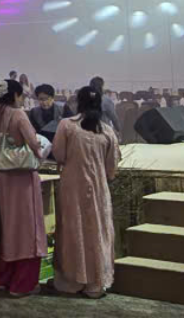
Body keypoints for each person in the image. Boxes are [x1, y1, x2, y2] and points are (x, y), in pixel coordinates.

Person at [53, 85, 120, 299]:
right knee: (97, 231)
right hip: (99, 189)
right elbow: (112, 168)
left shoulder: (66, 125)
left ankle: (71, 282)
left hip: (72, 188)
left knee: (73, 230)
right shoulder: (107, 131)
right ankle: (95, 285)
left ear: (78, 103)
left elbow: (59, 155)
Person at [0, 79, 47, 298]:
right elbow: (34, 144)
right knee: (28, 228)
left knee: (10, 226)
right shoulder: (18, 115)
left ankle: (4, 278)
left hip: (3, 176)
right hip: (22, 176)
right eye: (21, 95)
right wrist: (42, 150)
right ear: (14, 95)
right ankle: (22, 283)